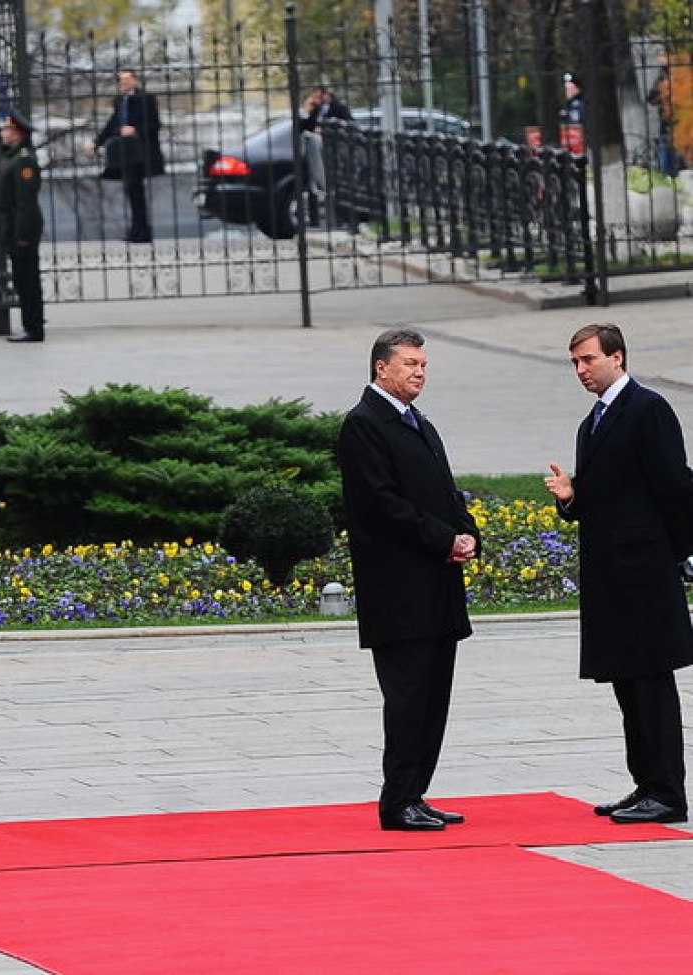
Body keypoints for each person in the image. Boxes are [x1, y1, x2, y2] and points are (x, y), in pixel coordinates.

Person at [544, 323, 691, 825]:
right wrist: (572, 497)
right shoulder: (594, 422)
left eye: (588, 359)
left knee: (651, 683)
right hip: (611, 577)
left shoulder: (647, 409)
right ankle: (645, 783)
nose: (581, 370)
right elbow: (612, 493)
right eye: (575, 363)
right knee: (628, 685)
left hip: (644, 573)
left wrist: (681, 554)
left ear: (617, 357)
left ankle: (668, 792)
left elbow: (674, 485)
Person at [338, 328, 480, 831]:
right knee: (407, 699)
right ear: (382, 368)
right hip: (399, 593)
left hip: (436, 590)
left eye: (423, 365)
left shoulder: (419, 422)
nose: (419, 372)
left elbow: (445, 492)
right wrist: (445, 539)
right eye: (410, 364)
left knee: (433, 698)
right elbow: (382, 505)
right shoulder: (364, 425)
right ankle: (397, 801)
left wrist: (466, 532)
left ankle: (416, 793)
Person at [87, 69, 165, 244]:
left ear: (135, 80)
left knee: (135, 189)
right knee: (131, 190)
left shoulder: (146, 98)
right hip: (125, 151)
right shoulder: (120, 100)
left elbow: (154, 124)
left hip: (141, 150)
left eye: (127, 80)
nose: (124, 84)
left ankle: (141, 230)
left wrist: (135, 129)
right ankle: (137, 230)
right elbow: (113, 124)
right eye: (121, 81)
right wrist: (97, 142)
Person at [0, 111, 45, 343]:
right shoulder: (11, 157)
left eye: (5, 130)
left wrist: (21, 234)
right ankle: (30, 325)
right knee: (22, 279)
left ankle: (34, 328)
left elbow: (26, 202)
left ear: (17, 133)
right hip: (13, 225)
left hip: (22, 228)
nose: (2, 134)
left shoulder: (23, 160)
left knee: (27, 280)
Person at [298, 85, 352, 226]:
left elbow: (349, 123)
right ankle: (315, 219)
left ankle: (341, 219)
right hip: (316, 152)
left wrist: (327, 129)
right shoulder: (316, 110)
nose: (315, 99)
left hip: (333, 152)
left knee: (335, 186)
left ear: (325, 95)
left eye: (317, 96)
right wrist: (307, 111)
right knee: (315, 185)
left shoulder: (338, 107)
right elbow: (304, 126)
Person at [559, 71, 586, 154]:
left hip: (580, 141)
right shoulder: (568, 105)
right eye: (566, 88)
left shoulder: (579, 104)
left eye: (570, 88)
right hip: (571, 141)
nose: (567, 91)